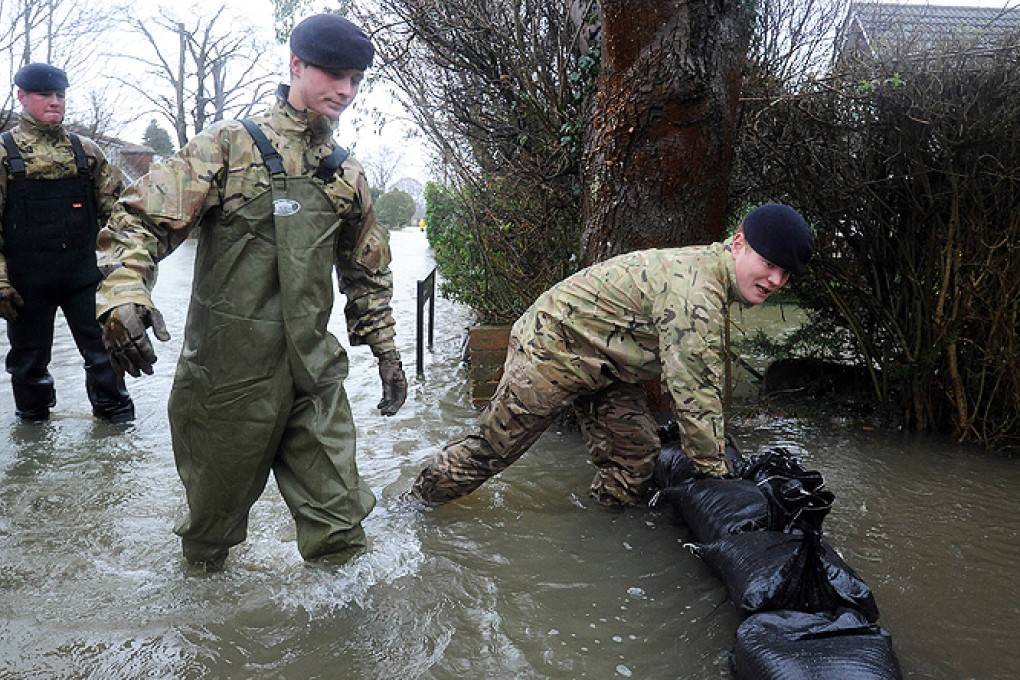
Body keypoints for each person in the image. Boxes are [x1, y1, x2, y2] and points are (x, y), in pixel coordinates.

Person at [94, 14, 408, 571]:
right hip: (227, 380)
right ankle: (206, 639)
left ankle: (344, 651)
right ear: (296, 66)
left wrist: (386, 351)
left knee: (341, 529)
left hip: (314, 377)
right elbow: (139, 224)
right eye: (334, 75)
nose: (346, 90)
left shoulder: (345, 174)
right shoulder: (227, 147)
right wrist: (123, 294)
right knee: (208, 538)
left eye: (356, 79)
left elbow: (367, 273)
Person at [406, 203, 813, 507]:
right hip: (553, 346)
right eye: (769, 264)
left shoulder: (712, 278)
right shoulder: (698, 293)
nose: (776, 280)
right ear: (738, 244)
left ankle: (601, 529)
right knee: (494, 449)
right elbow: (694, 391)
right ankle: (414, 505)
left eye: (786, 273)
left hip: (604, 361)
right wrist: (718, 477)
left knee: (636, 454)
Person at [0, 63, 134, 424]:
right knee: (28, 362)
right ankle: (33, 432)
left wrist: (125, 275)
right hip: (26, 282)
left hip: (83, 276)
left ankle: (117, 428)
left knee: (106, 351)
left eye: (60, 95)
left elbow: (120, 216)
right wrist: (1, 281)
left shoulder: (85, 151)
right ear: (22, 97)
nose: (55, 102)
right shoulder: (3, 152)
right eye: (45, 95)